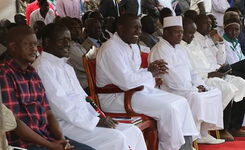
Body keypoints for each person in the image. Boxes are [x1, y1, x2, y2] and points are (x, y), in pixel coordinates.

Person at [32, 23, 147, 150]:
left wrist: (98, 116)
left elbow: (84, 98)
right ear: (47, 42)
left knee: (133, 131)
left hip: (85, 119)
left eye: (69, 40)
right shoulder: (43, 67)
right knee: (116, 138)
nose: (67, 44)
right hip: (64, 125)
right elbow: (61, 106)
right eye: (61, 40)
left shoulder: (65, 66)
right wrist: (95, 121)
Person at [96, 13, 199, 150]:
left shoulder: (131, 45)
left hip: (134, 91)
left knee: (181, 102)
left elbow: (135, 73)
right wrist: (150, 73)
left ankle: (185, 147)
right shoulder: (110, 49)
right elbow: (126, 82)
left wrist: (150, 72)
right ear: (120, 28)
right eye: (135, 28)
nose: (139, 32)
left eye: (139, 28)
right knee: (168, 108)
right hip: (116, 97)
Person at [0, 25, 94, 150]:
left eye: (34, 44)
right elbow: (15, 123)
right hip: (24, 143)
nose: (34, 49)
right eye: (27, 45)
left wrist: (60, 138)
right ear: (13, 47)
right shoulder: (5, 74)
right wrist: (50, 145)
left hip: (46, 136)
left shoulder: (32, 72)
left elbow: (48, 112)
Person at [149, 16, 225, 144]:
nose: (180, 35)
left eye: (181, 32)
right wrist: (193, 88)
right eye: (177, 32)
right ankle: (192, 137)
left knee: (214, 92)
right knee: (196, 97)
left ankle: (203, 132)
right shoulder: (160, 49)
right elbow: (170, 78)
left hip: (188, 87)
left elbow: (192, 71)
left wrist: (199, 84)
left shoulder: (180, 48)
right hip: (171, 90)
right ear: (166, 32)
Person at [182, 17, 245, 141]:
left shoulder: (205, 39)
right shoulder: (190, 42)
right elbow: (192, 70)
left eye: (210, 23)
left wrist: (220, 42)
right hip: (203, 77)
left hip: (214, 72)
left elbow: (220, 60)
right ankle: (222, 129)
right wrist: (208, 74)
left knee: (243, 84)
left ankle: (235, 127)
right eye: (206, 23)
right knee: (227, 88)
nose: (209, 26)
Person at [57, 17, 89, 91]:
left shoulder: (75, 44)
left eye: (78, 28)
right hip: (85, 86)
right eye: (73, 28)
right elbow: (87, 65)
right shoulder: (70, 48)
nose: (77, 31)